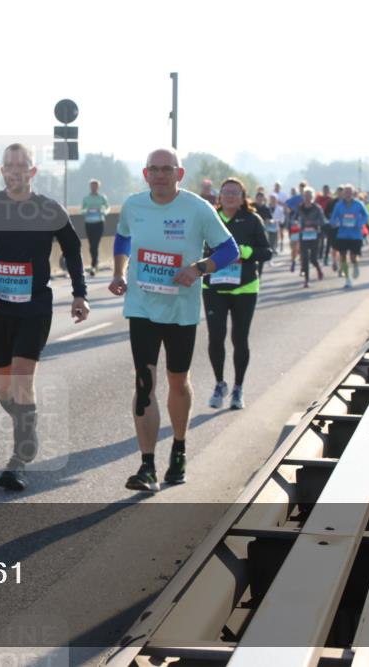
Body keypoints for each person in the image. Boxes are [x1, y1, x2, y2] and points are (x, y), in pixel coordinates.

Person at [109, 148, 238, 493]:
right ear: (145, 173)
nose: (161, 174)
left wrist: (198, 269)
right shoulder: (134, 206)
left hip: (180, 310)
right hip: (141, 307)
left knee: (178, 382)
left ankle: (179, 448)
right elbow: (122, 235)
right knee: (144, 384)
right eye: (155, 169)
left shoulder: (198, 209)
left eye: (168, 169)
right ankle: (147, 465)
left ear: (179, 175)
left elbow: (230, 250)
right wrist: (119, 271)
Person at [0, 144, 89, 492]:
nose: (16, 171)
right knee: (3, 390)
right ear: (2, 170)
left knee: (23, 380)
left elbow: (73, 249)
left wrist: (79, 293)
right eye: (10, 165)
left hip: (34, 308)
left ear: (33, 172)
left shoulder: (49, 209)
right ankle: (29, 423)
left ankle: (18, 459)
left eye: (22, 165)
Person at [203, 178, 271, 411]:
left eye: (235, 192)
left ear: (243, 198)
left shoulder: (252, 220)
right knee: (215, 337)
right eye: (226, 192)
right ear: (219, 196)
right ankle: (219, 383)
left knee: (239, 339)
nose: (230, 196)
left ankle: (238, 388)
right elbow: (194, 247)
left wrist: (243, 251)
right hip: (214, 288)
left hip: (244, 288)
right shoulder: (209, 219)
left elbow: (266, 252)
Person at [329, 184, 369, 288]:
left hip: (355, 234)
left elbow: (366, 216)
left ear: (353, 193)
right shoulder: (339, 205)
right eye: (346, 192)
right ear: (343, 193)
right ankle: (347, 279)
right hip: (342, 233)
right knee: (342, 256)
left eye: (349, 192)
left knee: (353, 257)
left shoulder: (358, 204)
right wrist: (334, 222)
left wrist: (359, 223)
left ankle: (355, 265)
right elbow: (333, 218)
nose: (347, 194)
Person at [292, 187, 327, 288]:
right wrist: (295, 222)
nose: (307, 198)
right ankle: (306, 280)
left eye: (309, 196)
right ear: (303, 197)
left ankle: (318, 269)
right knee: (305, 257)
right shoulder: (300, 208)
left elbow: (323, 221)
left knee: (313, 258)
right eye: (305, 196)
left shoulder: (317, 208)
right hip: (303, 236)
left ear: (312, 197)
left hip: (315, 236)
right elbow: (293, 218)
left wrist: (312, 223)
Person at [81, 178, 110, 276]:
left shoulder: (102, 197)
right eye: (92, 186)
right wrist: (86, 212)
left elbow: (107, 207)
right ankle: (95, 262)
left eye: (95, 186)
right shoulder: (86, 198)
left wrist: (104, 212)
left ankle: (93, 265)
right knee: (91, 245)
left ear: (98, 187)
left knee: (95, 244)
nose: (94, 187)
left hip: (99, 222)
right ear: (90, 187)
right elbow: (82, 209)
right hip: (89, 222)